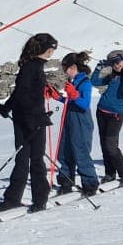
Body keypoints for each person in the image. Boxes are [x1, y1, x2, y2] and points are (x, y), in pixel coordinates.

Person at [0, 32, 58, 212]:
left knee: (24, 158)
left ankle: (18, 198)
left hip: (27, 118)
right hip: (32, 119)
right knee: (34, 159)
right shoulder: (33, 67)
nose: (52, 52)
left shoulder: (31, 66)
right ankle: (37, 198)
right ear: (43, 49)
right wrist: (9, 108)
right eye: (51, 48)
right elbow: (22, 93)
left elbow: (21, 93)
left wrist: (7, 108)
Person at [51, 51, 100, 197]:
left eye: (65, 69)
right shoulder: (74, 82)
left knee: (81, 152)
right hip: (69, 119)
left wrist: (74, 94)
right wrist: (58, 97)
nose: (65, 72)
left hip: (81, 121)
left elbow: (84, 104)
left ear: (72, 67)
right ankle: (66, 182)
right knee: (64, 151)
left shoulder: (85, 82)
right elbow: (71, 101)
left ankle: (90, 183)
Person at [92, 50, 123, 186]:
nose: (116, 65)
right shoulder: (113, 76)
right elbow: (95, 81)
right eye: (113, 63)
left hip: (115, 115)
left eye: (119, 61)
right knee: (104, 144)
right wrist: (98, 68)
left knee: (111, 145)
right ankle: (110, 173)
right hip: (101, 111)